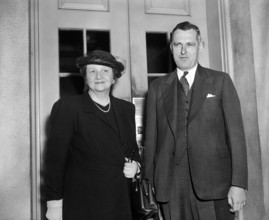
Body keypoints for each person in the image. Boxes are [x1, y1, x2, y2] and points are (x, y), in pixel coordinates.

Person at [144, 21, 248, 220]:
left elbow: (236, 136)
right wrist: (149, 183)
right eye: (177, 45)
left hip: (215, 185)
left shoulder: (220, 81)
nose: (183, 51)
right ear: (171, 47)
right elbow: (151, 140)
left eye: (190, 44)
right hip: (171, 187)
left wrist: (239, 184)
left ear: (200, 46)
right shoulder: (157, 88)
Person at [45, 50, 141, 220]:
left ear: (114, 78)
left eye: (105, 71)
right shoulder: (68, 108)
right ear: (85, 77)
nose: (99, 76)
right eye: (92, 71)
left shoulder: (126, 109)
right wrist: (54, 204)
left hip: (121, 203)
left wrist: (137, 167)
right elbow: (54, 162)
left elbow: (132, 150)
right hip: (83, 204)